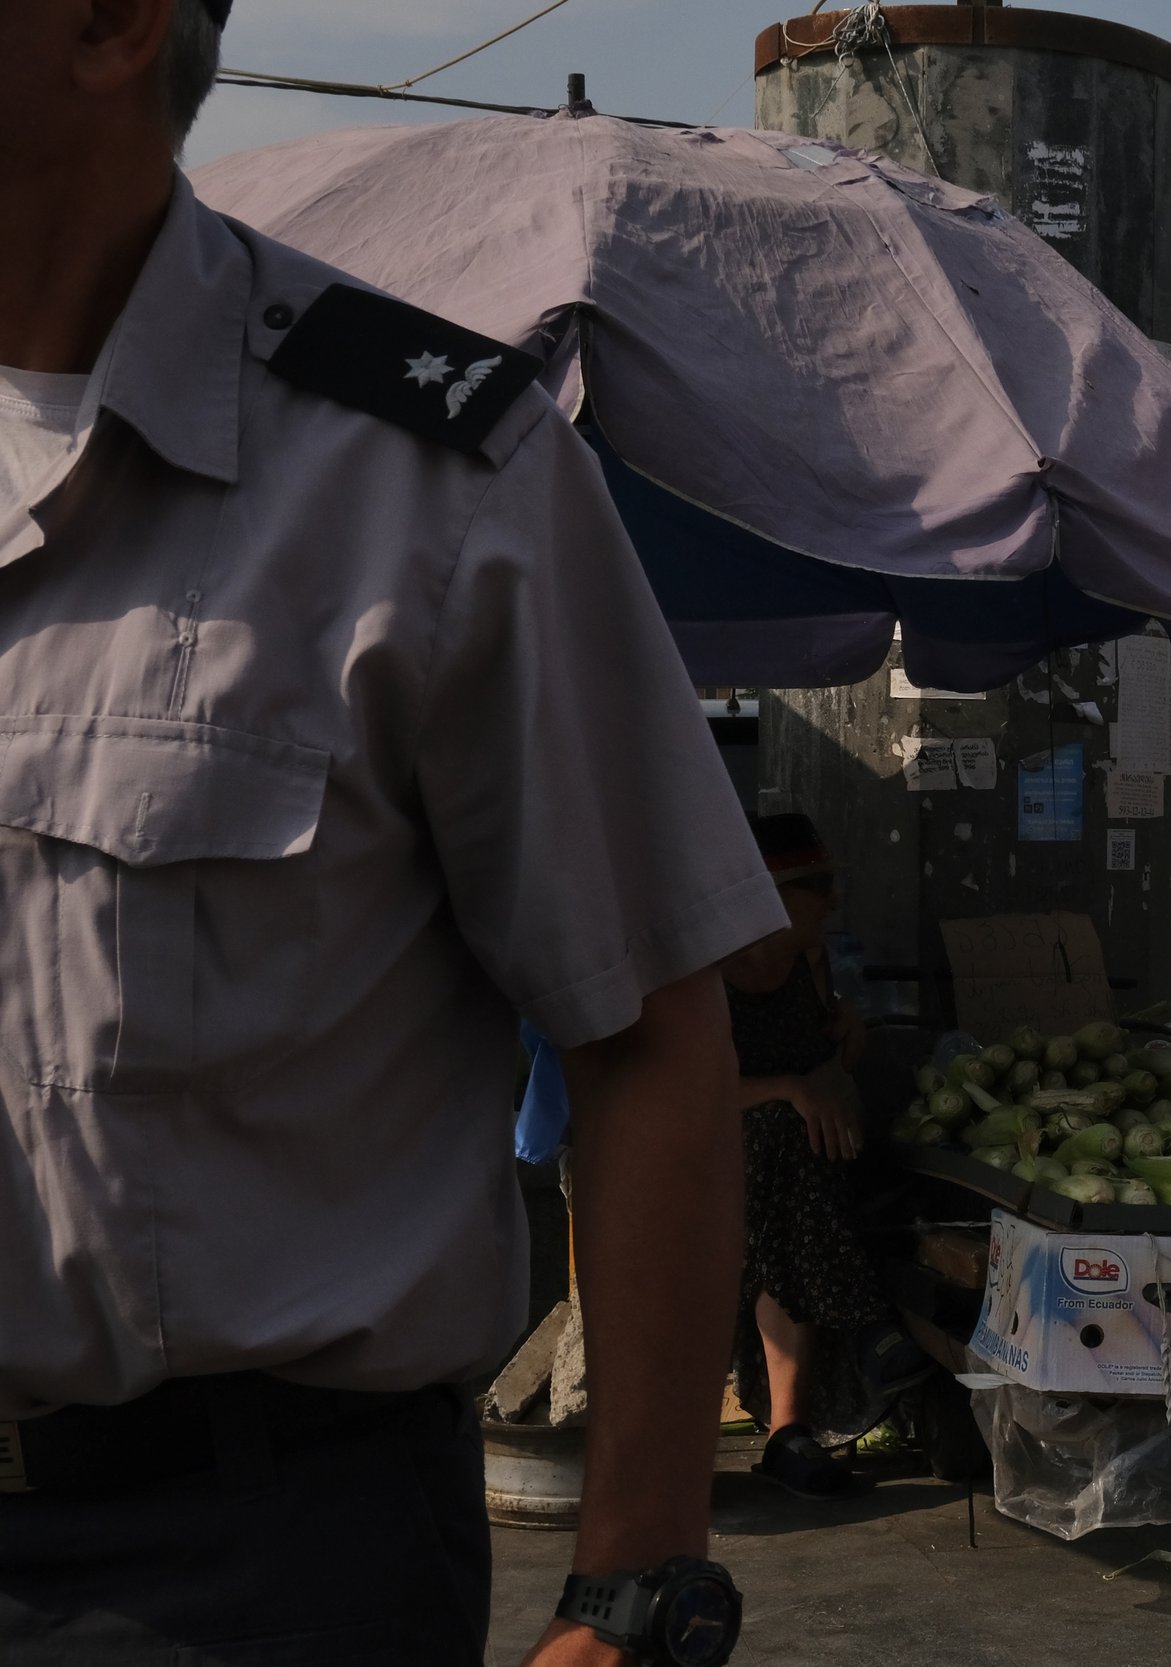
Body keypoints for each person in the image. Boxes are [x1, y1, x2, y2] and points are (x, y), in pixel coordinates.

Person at [0, 5, 785, 1663]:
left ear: (106, 26)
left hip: (235, 1567)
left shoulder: (426, 475)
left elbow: (648, 1027)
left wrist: (637, 1590)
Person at [723, 813, 909, 1498]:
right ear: (769, 893)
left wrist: (843, 1035)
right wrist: (793, 1090)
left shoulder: (809, 957)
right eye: (817, 885)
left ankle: (789, 1431)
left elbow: (822, 1030)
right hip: (729, 1138)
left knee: (807, 1158)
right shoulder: (710, 969)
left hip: (802, 1155)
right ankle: (864, 1324)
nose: (832, 900)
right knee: (785, 1139)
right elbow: (688, 1089)